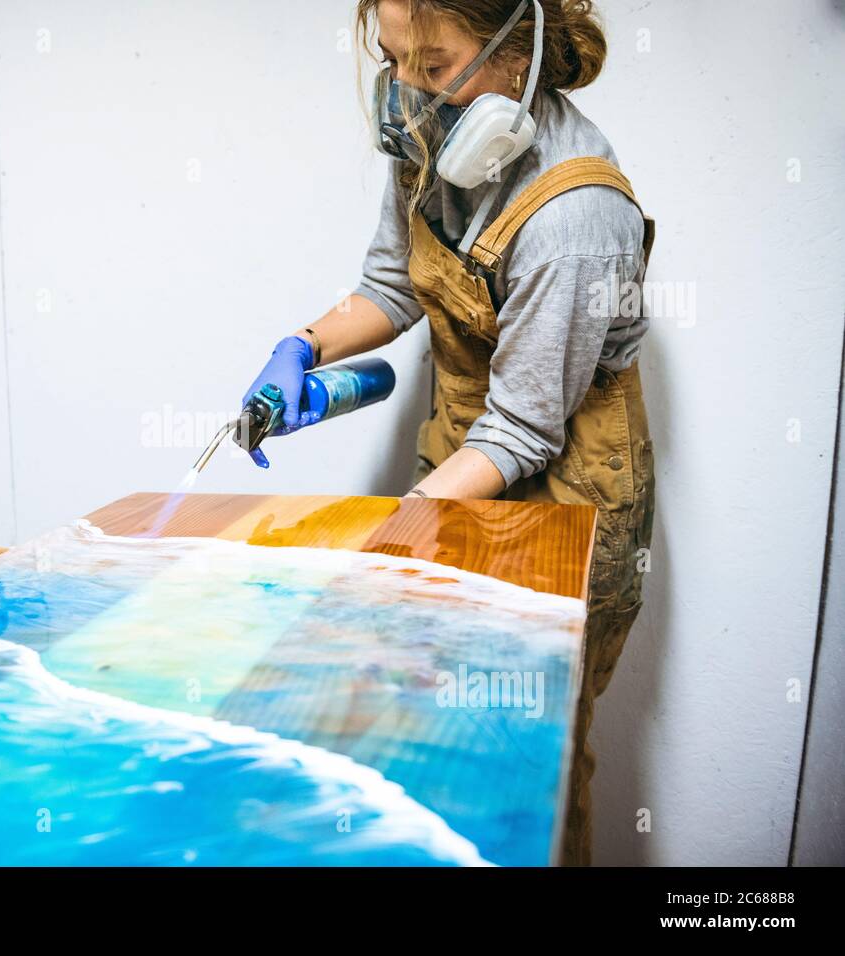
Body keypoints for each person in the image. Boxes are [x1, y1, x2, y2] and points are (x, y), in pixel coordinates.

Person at [239, 0, 655, 865]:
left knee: (522, 769)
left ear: (517, 56)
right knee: (430, 735)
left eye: (433, 67)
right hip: (462, 460)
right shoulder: (434, 140)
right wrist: (302, 349)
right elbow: (389, 287)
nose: (405, 92)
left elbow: (521, 433)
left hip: (568, 489)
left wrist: (389, 537)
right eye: (393, 61)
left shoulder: (575, 217)